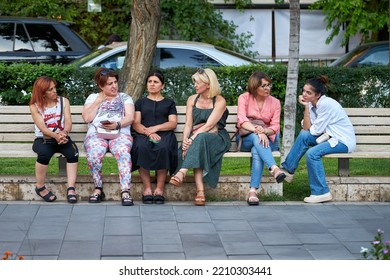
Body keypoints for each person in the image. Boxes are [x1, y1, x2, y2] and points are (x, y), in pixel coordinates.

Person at [280, 75, 356, 203]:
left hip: (342, 141)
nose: (304, 94)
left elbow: (314, 130)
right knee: (304, 136)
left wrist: (306, 110)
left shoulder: (326, 104)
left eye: (308, 93)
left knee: (312, 153)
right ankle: (288, 170)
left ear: (318, 95)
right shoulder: (311, 104)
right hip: (328, 138)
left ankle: (321, 192)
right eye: (303, 91)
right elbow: (306, 129)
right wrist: (306, 107)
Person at [169, 68, 231, 206]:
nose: (194, 85)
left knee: (200, 139)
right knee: (199, 142)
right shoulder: (192, 99)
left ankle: (182, 172)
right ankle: (200, 192)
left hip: (217, 137)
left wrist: (191, 139)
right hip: (198, 136)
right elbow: (188, 125)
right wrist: (185, 140)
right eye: (194, 82)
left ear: (208, 84)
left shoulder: (220, 101)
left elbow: (209, 126)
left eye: (197, 82)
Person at [82, 68, 135, 206]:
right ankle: (98, 188)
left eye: (115, 82)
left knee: (124, 153)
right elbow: (87, 118)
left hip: (120, 133)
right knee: (93, 154)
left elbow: (130, 117)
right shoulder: (93, 97)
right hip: (96, 134)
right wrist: (98, 101)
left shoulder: (125, 97)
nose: (114, 86)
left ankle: (125, 190)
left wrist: (117, 124)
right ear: (101, 86)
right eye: (110, 84)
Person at [236, 71, 286, 206]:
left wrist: (264, 131)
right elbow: (242, 120)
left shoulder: (275, 102)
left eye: (268, 85)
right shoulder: (244, 98)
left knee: (256, 149)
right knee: (256, 139)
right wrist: (258, 131)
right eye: (263, 86)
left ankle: (252, 191)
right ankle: (274, 169)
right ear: (254, 87)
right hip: (246, 137)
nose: (267, 88)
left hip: (268, 139)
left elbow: (275, 127)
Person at [29, 76, 79, 203]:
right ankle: (40, 186)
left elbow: (68, 123)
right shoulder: (35, 106)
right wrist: (56, 136)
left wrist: (64, 133)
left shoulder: (63, 102)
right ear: (42, 92)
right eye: (50, 89)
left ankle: (71, 188)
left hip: (62, 136)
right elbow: (43, 128)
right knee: (44, 154)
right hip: (44, 139)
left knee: (73, 153)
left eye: (54, 88)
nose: (54, 91)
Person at [131, 71, 178, 204]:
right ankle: (147, 188)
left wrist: (156, 128)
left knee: (164, 147)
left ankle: (159, 188)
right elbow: (136, 123)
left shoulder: (169, 103)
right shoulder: (140, 102)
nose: (152, 84)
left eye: (155, 82)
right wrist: (149, 132)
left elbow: (172, 123)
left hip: (164, 133)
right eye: (150, 82)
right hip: (143, 133)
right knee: (141, 147)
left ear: (162, 85)